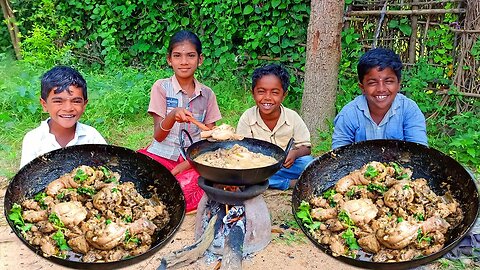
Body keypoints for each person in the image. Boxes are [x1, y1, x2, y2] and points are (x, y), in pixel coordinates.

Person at [138, 30, 222, 213]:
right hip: (161, 156)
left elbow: (210, 140)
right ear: (169, 59)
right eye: (177, 56)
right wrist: (172, 115)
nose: (184, 61)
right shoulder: (161, 87)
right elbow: (159, 136)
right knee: (139, 175)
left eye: (190, 56)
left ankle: (176, 195)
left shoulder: (207, 94)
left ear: (200, 59)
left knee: (201, 184)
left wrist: (182, 167)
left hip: (192, 161)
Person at [332, 47, 428, 149]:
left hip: (401, 164)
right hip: (358, 165)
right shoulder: (349, 114)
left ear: (399, 84)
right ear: (362, 87)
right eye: (372, 83)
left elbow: (419, 152)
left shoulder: (409, 110)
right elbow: (339, 156)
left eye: (389, 81)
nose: (381, 89)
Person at [236, 64, 314, 190]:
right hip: (257, 168)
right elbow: (241, 149)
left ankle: (265, 183)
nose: (267, 98)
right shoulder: (247, 117)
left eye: (275, 92)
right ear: (253, 93)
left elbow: (306, 148)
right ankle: (288, 183)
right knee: (241, 175)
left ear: (284, 95)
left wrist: (294, 154)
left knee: (309, 163)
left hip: (285, 166)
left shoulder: (292, 117)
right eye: (261, 92)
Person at [20, 66, 107, 168]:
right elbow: (25, 178)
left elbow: (107, 168)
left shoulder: (91, 137)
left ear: (84, 105)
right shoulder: (34, 139)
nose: (68, 108)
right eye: (58, 101)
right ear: (44, 105)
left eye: (76, 101)